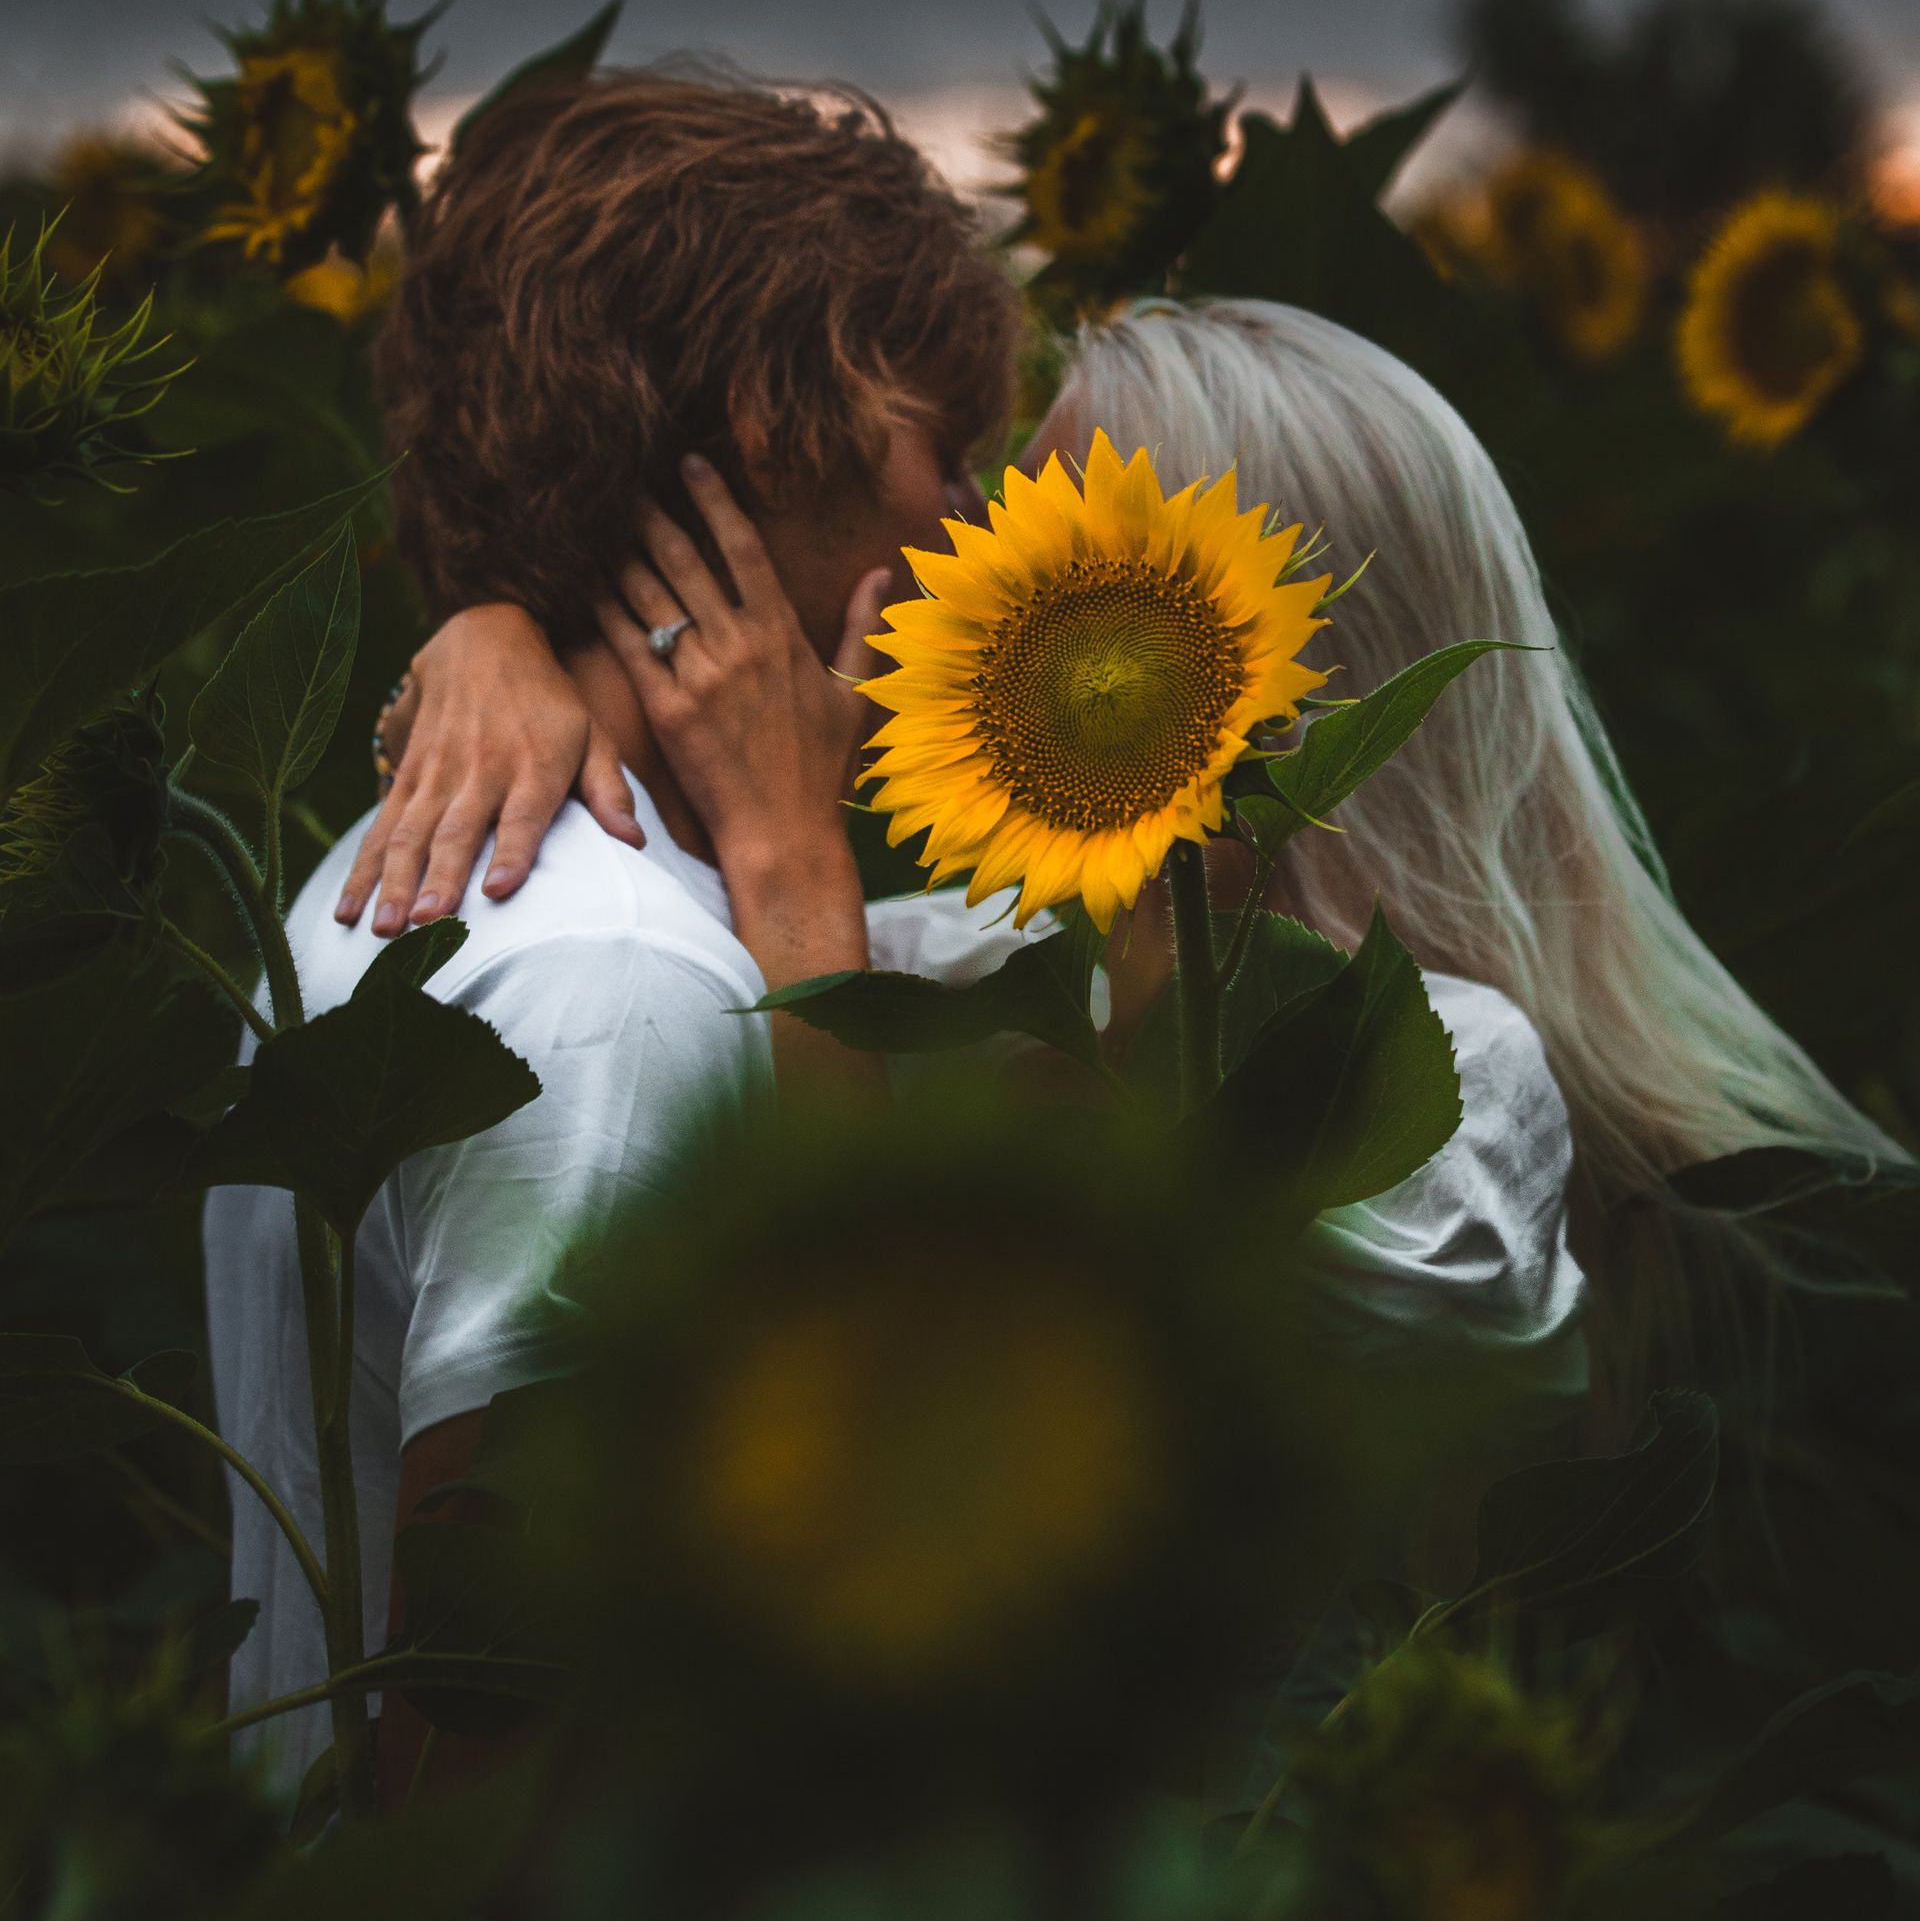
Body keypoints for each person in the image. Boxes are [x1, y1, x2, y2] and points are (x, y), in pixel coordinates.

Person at [363, 293, 1903, 1415]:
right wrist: (498, 635)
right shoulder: (969, 970)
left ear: (1276, 654)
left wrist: (790, 859)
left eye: (1046, 556)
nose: (953, 581)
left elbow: (918, 1446)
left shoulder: (1430, 1092)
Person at [200, 68, 1028, 1921]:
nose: (975, 513)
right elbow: (490, 1780)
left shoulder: (433, 878)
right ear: (774, 412)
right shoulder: (610, 997)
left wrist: (790, 859)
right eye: (943, 442)